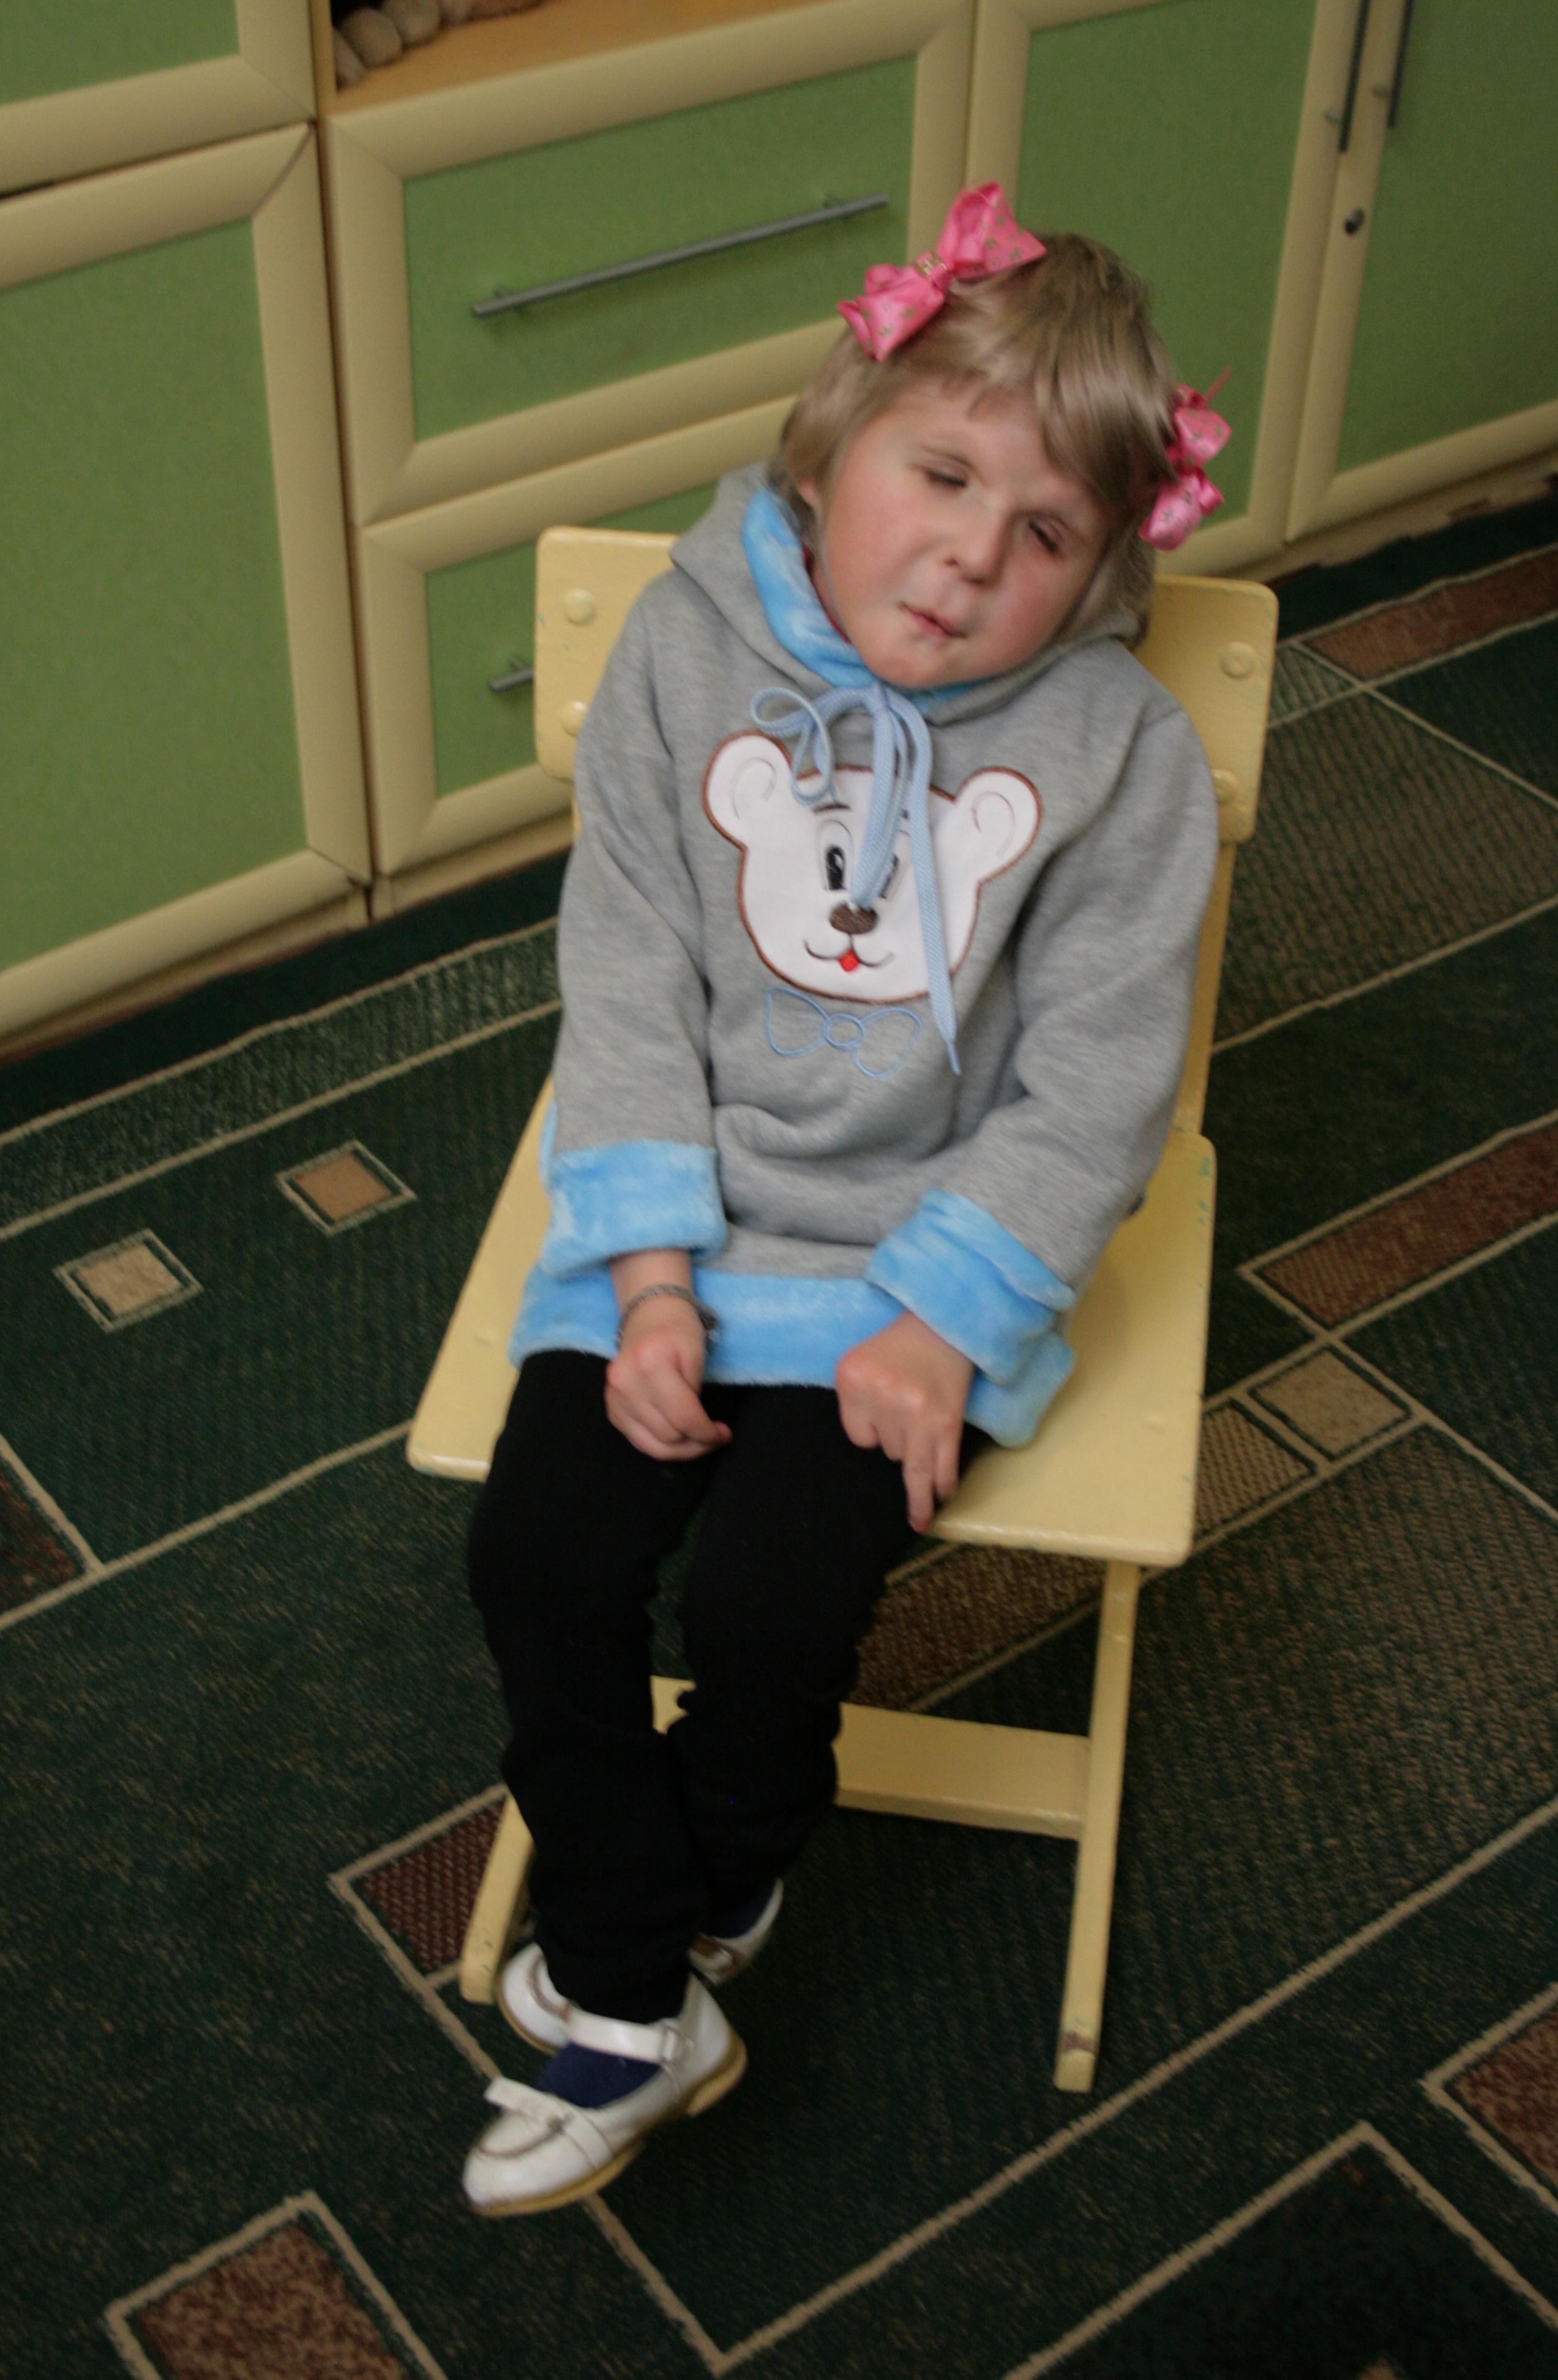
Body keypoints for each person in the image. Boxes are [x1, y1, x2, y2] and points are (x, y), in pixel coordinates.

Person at [462, 188, 1227, 2217]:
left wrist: (941, 1318)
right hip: (678, 1224)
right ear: (831, 447)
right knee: (537, 1558)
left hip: (919, 1270)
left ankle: (645, 1953)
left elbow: (1102, 1085)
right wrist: (647, 1280)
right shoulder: (683, 645)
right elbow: (626, 977)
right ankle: (658, 1974)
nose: (975, 553)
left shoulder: (1122, 755)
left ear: (1103, 569)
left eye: (1046, 531)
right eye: (942, 474)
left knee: (770, 1601)